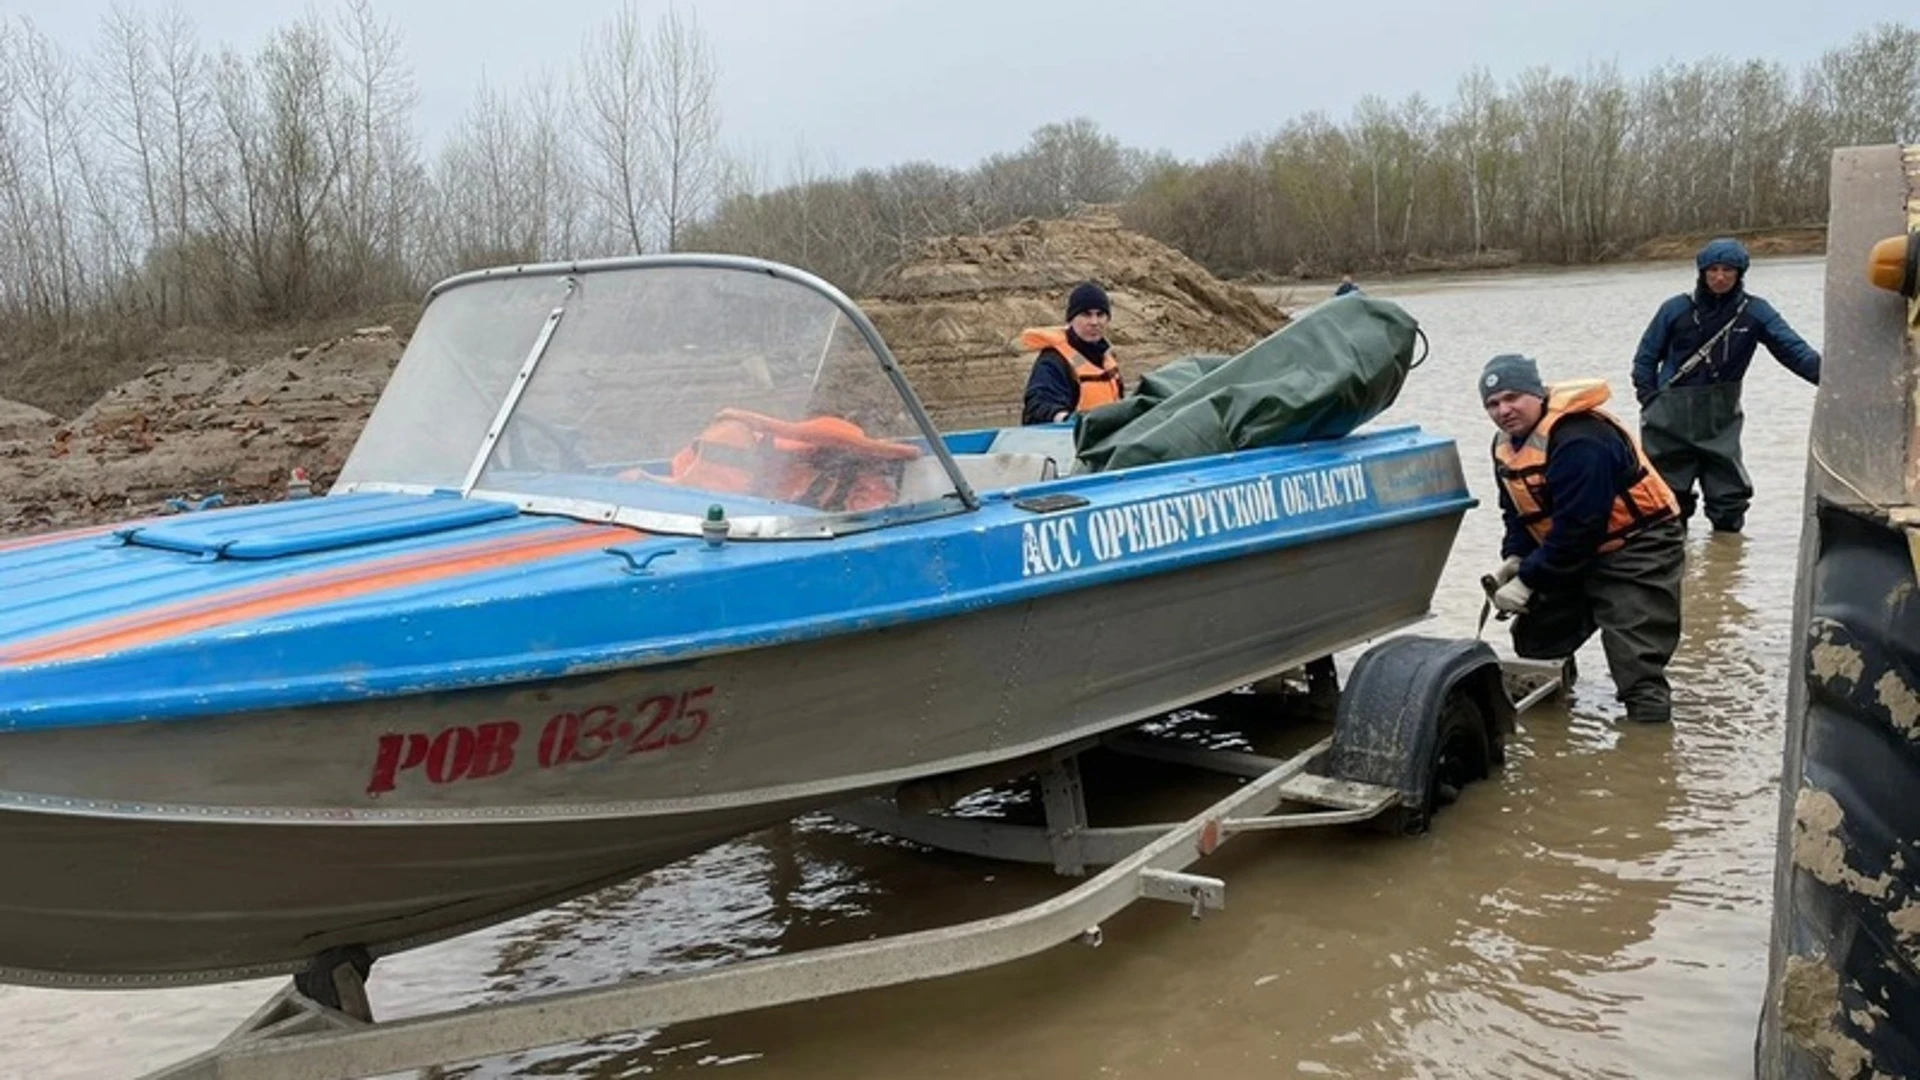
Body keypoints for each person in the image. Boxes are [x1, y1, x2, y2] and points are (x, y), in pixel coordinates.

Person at [1481, 353, 1686, 725]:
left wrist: (1529, 580)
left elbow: (1580, 528)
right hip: (1570, 549)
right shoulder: (1505, 446)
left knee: (1635, 656)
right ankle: (1555, 719)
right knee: (1536, 640)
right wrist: (1515, 558)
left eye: (1513, 398)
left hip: (1638, 545)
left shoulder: (1580, 438)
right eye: (1493, 404)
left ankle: (1649, 735)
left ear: (1538, 393)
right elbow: (1516, 513)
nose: (1503, 410)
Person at [1630, 237, 1820, 533]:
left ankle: (1726, 561)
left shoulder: (1755, 312)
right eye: (1713, 270)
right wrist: (1648, 398)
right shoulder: (1675, 309)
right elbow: (1645, 357)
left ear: (1740, 273)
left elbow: (1794, 352)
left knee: (1729, 497)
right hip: (1668, 417)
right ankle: (1674, 556)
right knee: (1667, 500)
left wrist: (1833, 382)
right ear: (1702, 273)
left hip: (1720, 417)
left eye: (1728, 270)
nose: (1720, 277)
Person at [1020, 281, 1123, 425]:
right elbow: (1038, 406)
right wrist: (1064, 419)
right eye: (1086, 314)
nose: (1094, 322)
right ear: (1071, 319)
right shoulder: (1054, 361)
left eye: (1100, 315)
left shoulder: (1106, 358)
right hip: (1069, 440)